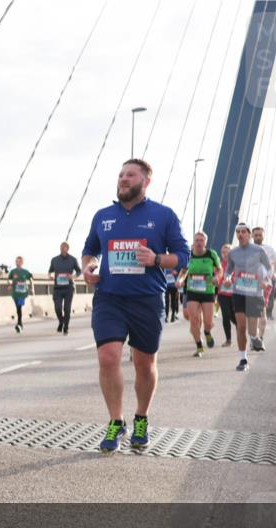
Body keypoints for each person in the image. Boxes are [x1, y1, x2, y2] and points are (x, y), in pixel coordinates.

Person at [80, 159, 189, 454]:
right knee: (108, 357)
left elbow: (183, 255)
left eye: (130, 175)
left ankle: (141, 417)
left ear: (145, 181)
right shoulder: (103, 216)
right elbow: (90, 250)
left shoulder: (163, 215)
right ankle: (116, 421)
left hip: (147, 299)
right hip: (109, 298)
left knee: (144, 363)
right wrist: (88, 268)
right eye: (121, 175)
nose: (123, 179)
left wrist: (156, 259)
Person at [227, 223, 272, 370]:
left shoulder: (259, 250)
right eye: (237, 232)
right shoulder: (233, 252)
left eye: (243, 232)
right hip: (239, 291)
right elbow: (228, 271)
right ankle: (243, 359)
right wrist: (227, 279)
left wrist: (265, 281)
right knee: (241, 327)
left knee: (252, 331)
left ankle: (254, 338)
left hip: (255, 293)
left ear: (249, 235)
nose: (240, 234)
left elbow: (268, 268)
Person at [176, 232, 222, 357]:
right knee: (194, 320)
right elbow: (184, 271)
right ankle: (199, 346)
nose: (199, 242)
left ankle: (207, 332)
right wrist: (180, 280)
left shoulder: (211, 254)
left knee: (208, 322)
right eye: (197, 240)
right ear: (194, 241)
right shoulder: (189, 255)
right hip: (192, 291)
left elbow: (219, 269)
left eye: (201, 240)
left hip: (208, 291)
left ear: (205, 242)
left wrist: (217, 277)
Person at [48, 242, 81, 334]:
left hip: (68, 288)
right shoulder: (54, 260)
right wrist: (50, 275)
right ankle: (61, 321)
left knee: (67, 309)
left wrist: (72, 276)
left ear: (68, 248)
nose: (63, 249)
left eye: (64, 247)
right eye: (61, 247)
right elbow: (50, 271)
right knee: (57, 308)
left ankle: (66, 327)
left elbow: (79, 271)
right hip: (57, 288)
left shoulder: (73, 260)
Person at [252, 226, 276, 339]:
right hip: (250, 283)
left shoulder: (269, 249)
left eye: (260, 235)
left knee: (262, 310)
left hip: (265, 284)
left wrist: (273, 275)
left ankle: (260, 338)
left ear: (263, 235)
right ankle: (254, 336)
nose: (258, 237)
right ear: (252, 236)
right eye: (256, 235)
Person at [8, 256, 34, 333]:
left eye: (19, 261)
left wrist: (32, 288)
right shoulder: (12, 271)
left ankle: (19, 323)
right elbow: (9, 279)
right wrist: (9, 285)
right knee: (17, 308)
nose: (17, 263)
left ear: (22, 263)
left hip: (22, 293)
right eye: (16, 261)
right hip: (15, 293)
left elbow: (31, 278)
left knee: (19, 307)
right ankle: (20, 323)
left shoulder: (25, 272)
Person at [216, 243, 236, 347]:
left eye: (228, 252)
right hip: (222, 294)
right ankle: (228, 340)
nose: (225, 254)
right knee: (226, 315)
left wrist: (231, 282)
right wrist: (219, 282)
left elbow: (241, 277)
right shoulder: (219, 265)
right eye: (223, 252)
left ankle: (241, 329)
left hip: (234, 294)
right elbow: (215, 277)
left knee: (235, 316)